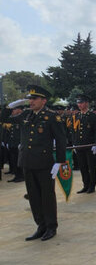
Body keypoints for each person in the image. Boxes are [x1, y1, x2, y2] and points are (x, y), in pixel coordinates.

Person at [1, 85, 67, 241]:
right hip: (27, 161)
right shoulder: (26, 115)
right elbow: (3, 118)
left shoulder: (52, 116)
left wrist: (59, 161)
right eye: (29, 99)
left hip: (44, 163)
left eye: (34, 99)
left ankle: (51, 227)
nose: (31, 101)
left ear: (43, 101)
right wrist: (11, 105)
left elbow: (61, 140)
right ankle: (40, 225)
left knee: (46, 196)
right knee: (33, 196)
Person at [72, 94, 96, 194]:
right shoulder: (76, 116)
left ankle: (92, 186)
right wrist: (74, 144)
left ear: (86, 103)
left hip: (89, 145)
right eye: (78, 103)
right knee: (82, 166)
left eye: (81, 102)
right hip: (79, 145)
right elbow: (74, 131)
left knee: (91, 167)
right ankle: (86, 185)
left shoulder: (93, 116)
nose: (79, 105)